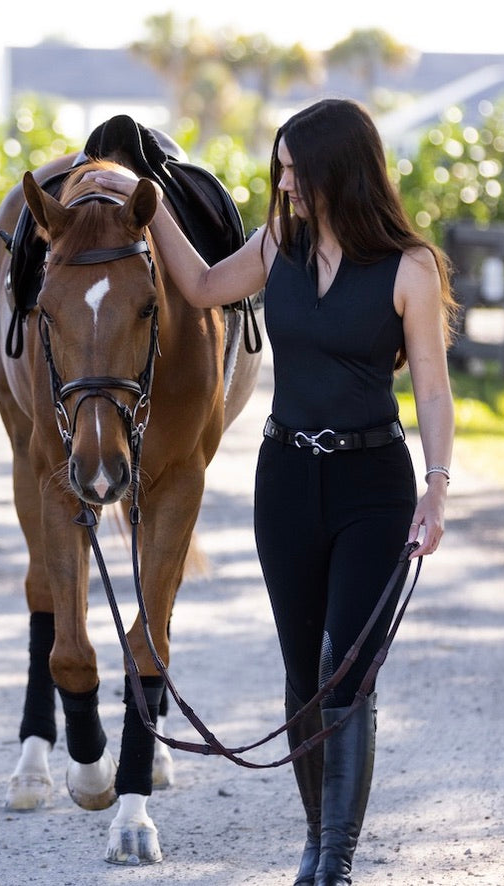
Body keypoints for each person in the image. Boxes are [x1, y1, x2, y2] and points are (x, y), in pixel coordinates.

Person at [88, 98, 456, 886]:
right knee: (301, 672)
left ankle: (334, 862)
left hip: (373, 484)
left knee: (346, 674)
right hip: (286, 478)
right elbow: (199, 284)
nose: (283, 183)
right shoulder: (275, 246)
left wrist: (437, 488)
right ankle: (317, 834)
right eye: (279, 168)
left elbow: (430, 383)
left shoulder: (410, 267)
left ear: (340, 171)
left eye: (296, 170)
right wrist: (139, 198)